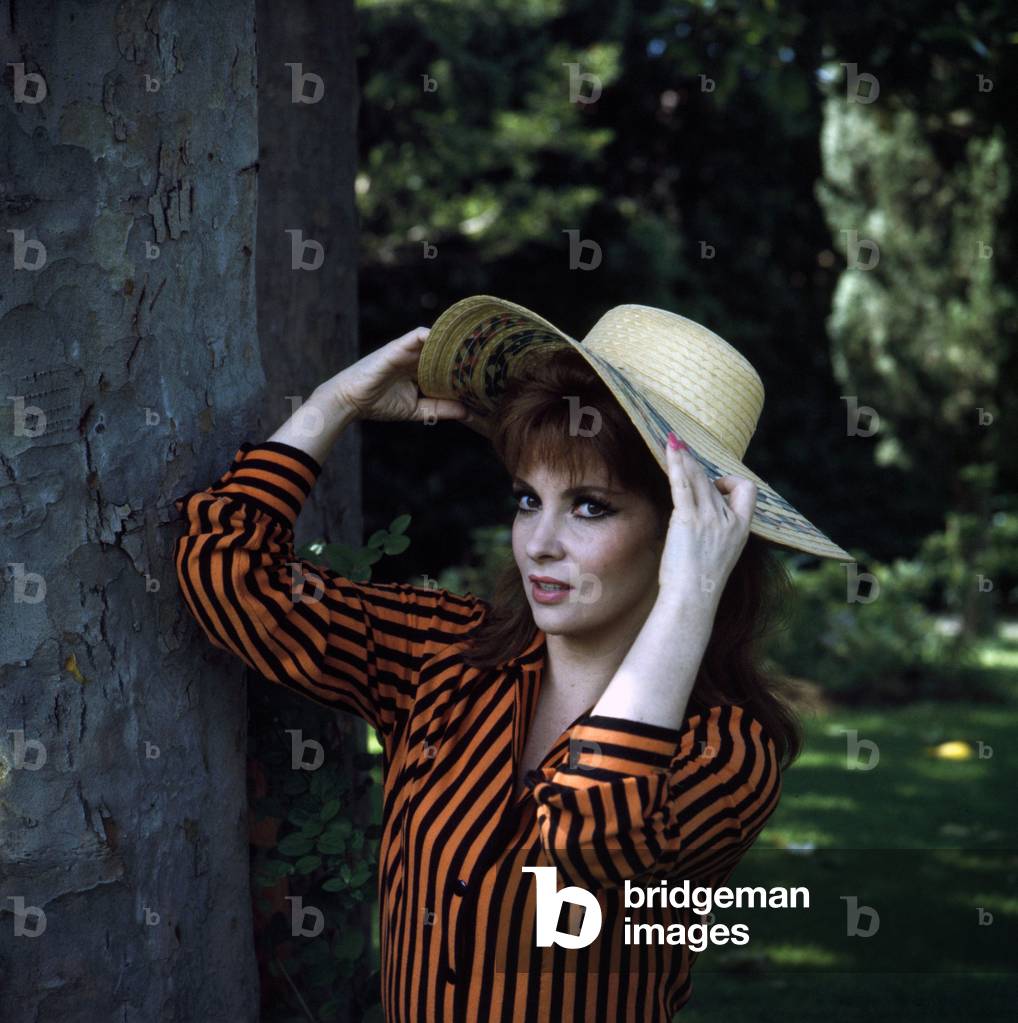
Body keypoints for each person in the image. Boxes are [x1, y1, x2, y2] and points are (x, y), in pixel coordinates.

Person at [173, 298, 851, 1022]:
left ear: (687, 534)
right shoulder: (445, 654)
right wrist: (333, 403)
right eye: (529, 498)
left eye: (591, 505)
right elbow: (230, 574)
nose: (538, 542)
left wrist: (691, 594)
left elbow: (584, 841)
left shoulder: (726, 752)